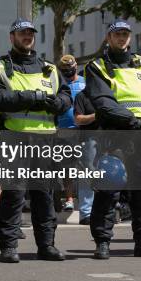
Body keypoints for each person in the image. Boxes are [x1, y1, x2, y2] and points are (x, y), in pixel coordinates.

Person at [0, 18, 71, 263]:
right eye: (22, 33)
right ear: (12, 36)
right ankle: (9, 246)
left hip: (45, 139)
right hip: (15, 137)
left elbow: (66, 97)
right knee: (14, 194)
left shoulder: (49, 68)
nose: (27, 37)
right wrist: (30, 97)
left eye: (30, 33)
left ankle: (46, 245)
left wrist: (59, 103)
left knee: (45, 195)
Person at [85, 19, 141, 259]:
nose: (122, 38)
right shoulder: (97, 66)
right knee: (109, 189)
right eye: (117, 34)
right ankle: (103, 241)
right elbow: (103, 102)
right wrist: (133, 120)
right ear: (108, 38)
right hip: (115, 135)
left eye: (126, 34)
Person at [56, 55, 85, 211]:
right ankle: (69, 199)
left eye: (70, 68)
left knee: (87, 165)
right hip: (63, 130)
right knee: (67, 167)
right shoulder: (59, 84)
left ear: (76, 66)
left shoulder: (85, 83)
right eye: (64, 70)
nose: (68, 72)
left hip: (82, 129)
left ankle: (87, 200)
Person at [73, 88, 98, 225]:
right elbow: (78, 119)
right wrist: (97, 115)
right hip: (89, 139)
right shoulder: (82, 96)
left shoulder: (108, 93)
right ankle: (86, 213)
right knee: (88, 174)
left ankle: (106, 210)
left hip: (109, 137)